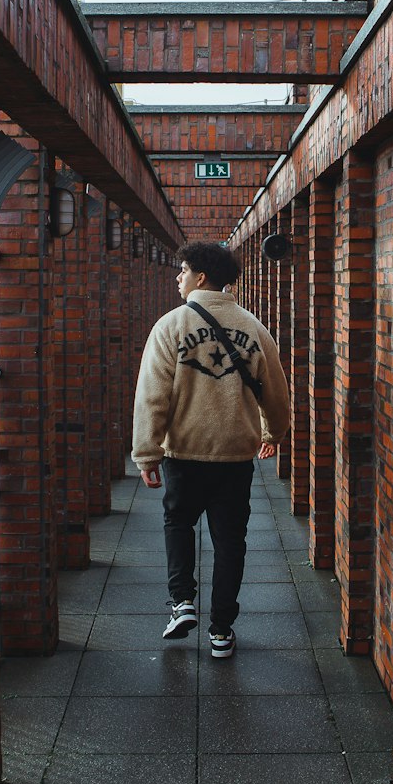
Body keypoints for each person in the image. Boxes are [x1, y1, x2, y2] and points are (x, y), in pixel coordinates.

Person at [131, 241, 290, 658]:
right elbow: (276, 392)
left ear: (200, 276)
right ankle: (221, 629)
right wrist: (273, 433)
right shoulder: (254, 328)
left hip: (183, 454)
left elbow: (152, 396)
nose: (177, 277)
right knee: (230, 541)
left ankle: (182, 602)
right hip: (235, 457)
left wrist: (146, 453)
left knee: (178, 524)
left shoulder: (170, 326)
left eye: (182, 270)